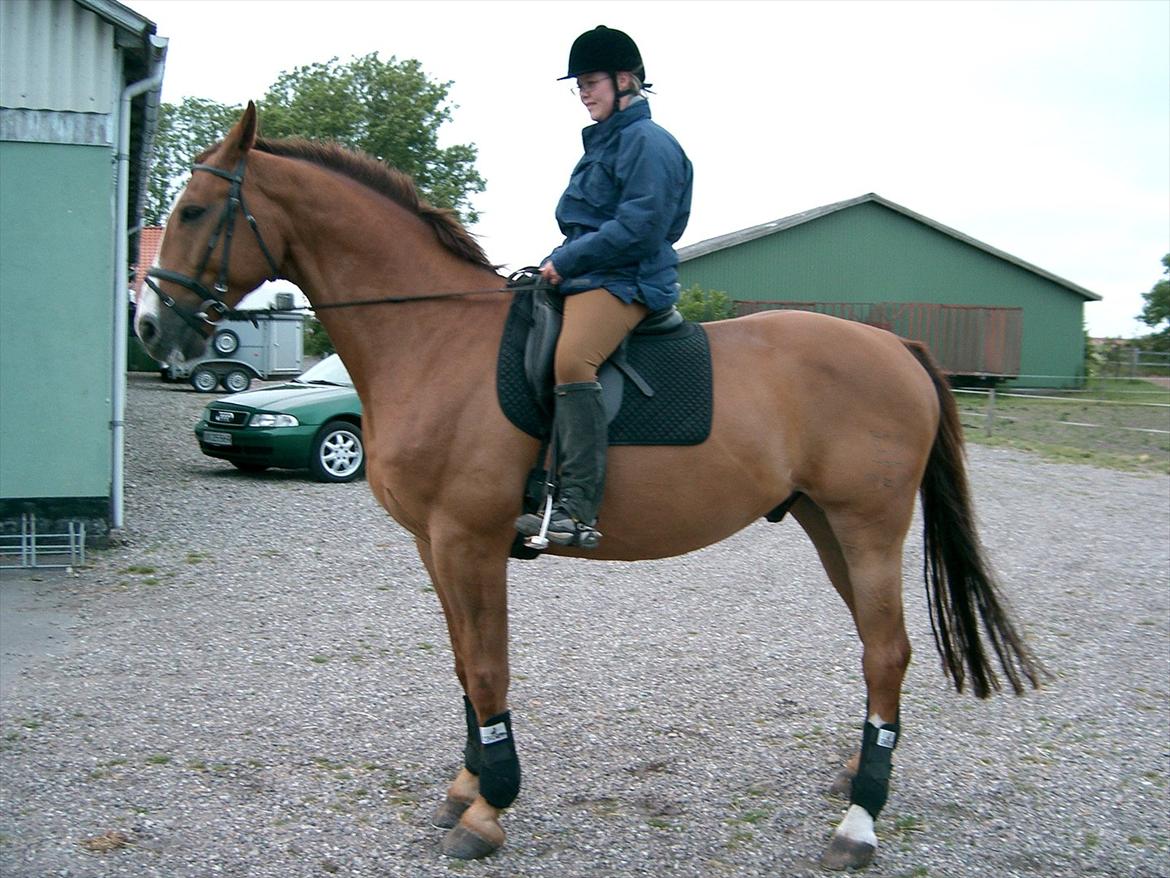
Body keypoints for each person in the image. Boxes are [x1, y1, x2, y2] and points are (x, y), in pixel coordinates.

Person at [515, 25, 694, 549]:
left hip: (629, 280)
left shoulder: (648, 142)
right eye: (579, 85)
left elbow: (641, 226)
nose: (584, 93)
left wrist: (568, 258)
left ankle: (576, 508)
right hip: (594, 272)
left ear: (624, 80)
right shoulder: (604, 143)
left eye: (590, 82)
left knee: (572, 360)